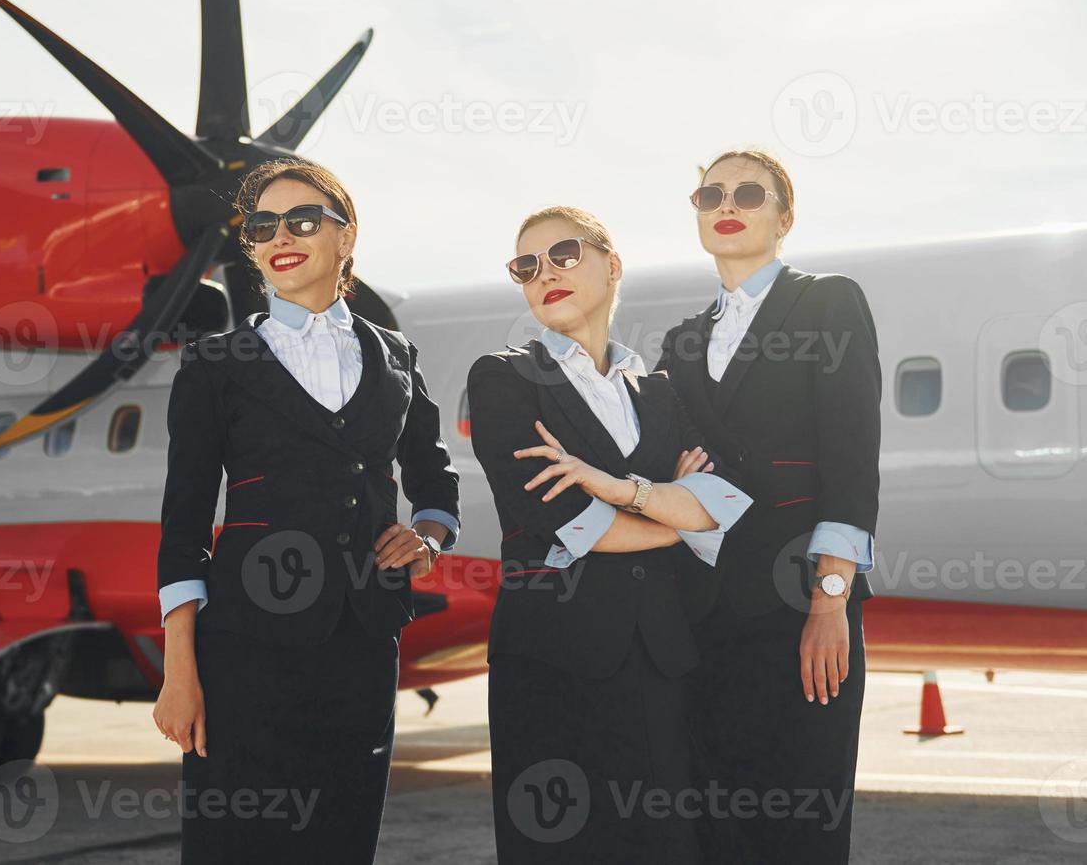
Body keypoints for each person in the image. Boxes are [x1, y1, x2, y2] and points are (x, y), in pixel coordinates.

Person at [151, 157, 461, 865]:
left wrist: (431, 536)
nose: (279, 235)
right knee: (237, 844)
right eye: (262, 225)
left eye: (302, 220)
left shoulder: (395, 356)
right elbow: (184, 526)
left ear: (345, 238)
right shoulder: (215, 362)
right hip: (244, 646)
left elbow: (433, 475)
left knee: (342, 839)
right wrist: (180, 669)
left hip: (364, 637)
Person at [466, 205, 753, 863]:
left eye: (564, 254)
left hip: (658, 660)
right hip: (549, 667)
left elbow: (723, 502)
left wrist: (629, 494)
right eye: (526, 266)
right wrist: (674, 518)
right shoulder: (505, 378)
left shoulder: (658, 393)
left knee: (661, 846)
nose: (545, 274)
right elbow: (570, 522)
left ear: (612, 265)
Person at [658, 149, 880, 863]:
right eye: (710, 193)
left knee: (801, 829)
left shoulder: (828, 302)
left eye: (750, 192)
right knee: (718, 832)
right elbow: (685, 472)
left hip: (798, 608)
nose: (727, 202)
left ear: (784, 217)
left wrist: (830, 602)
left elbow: (851, 462)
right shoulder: (680, 341)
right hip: (704, 617)